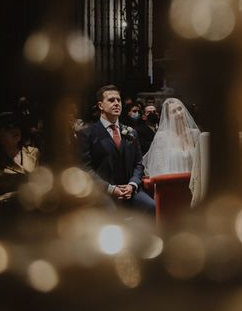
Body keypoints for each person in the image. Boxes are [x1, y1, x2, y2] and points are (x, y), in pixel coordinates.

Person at [78, 85, 155, 215]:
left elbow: (138, 164)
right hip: (103, 192)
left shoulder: (131, 132)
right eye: (111, 100)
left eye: (118, 100)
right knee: (111, 214)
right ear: (100, 105)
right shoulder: (88, 133)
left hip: (129, 190)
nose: (116, 103)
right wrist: (110, 188)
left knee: (151, 206)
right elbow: (85, 168)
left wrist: (132, 184)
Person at [0, 112, 40, 219]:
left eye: (16, 126)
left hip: (32, 210)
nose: (15, 130)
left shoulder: (33, 153)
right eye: (8, 128)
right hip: (4, 215)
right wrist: (8, 200)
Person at [142, 98, 201, 201]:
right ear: (168, 117)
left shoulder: (195, 134)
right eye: (173, 112)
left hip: (195, 185)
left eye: (180, 109)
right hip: (173, 186)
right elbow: (159, 168)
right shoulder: (162, 137)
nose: (179, 113)